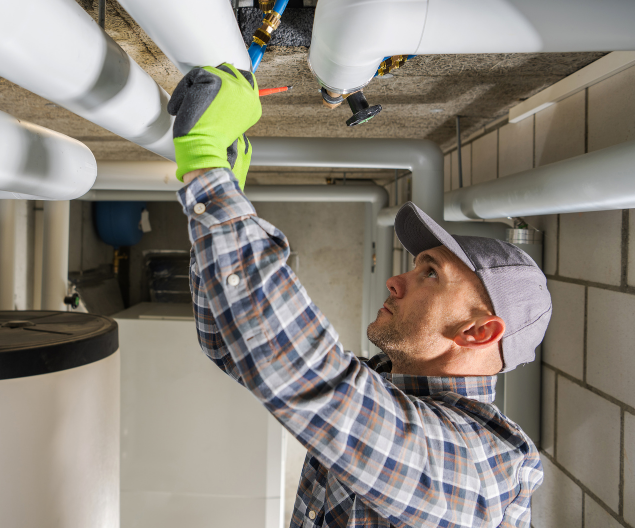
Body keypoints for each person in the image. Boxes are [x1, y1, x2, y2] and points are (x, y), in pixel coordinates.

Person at [168, 64, 552, 527]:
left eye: (430, 275)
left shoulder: (483, 465)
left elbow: (313, 381)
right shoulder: (387, 389)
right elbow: (234, 346)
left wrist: (208, 170)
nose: (396, 281)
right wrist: (222, 193)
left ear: (479, 331)